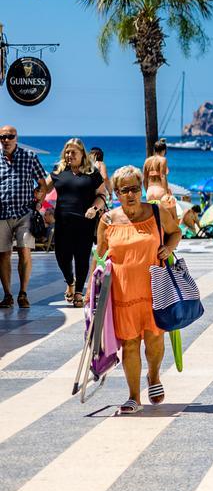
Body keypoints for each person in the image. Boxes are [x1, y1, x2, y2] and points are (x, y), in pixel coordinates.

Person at [96, 165, 182, 414]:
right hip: (122, 293)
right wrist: (92, 287)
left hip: (154, 290)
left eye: (135, 189)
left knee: (154, 341)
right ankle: (134, 396)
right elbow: (99, 255)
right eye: (125, 190)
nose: (131, 194)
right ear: (117, 193)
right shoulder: (108, 220)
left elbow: (176, 232)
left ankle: (153, 376)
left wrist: (168, 248)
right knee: (130, 344)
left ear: (141, 189)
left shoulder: (157, 212)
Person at [0, 125, 52, 309]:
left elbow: (42, 183)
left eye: (10, 136)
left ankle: (23, 293)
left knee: (24, 251)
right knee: (3, 255)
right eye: (3, 137)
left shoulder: (29, 157)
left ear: (16, 137)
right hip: (1, 214)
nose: (6, 140)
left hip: (24, 213)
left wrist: (39, 202)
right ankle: (7, 295)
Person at [51, 138, 106, 307]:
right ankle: (70, 281)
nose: (69, 155)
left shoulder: (92, 173)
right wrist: (37, 197)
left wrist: (94, 209)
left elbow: (102, 196)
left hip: (84, 223)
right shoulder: (58, 170)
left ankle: (79, 292)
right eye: (67, 152)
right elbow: (43, 187)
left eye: (73, 152)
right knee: (61, 256)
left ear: (82, 154)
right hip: (62, 222)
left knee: (82, 257)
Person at [143, 139, 173, 207]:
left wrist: (147, 190)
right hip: (160, 191)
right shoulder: (163, 159)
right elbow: (163, 176)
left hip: (149, 192)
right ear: (164, 150)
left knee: (153, 216)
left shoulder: (147, 161)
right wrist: (166, 193)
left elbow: (144, 179)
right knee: (166, 215)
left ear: (155, 150)